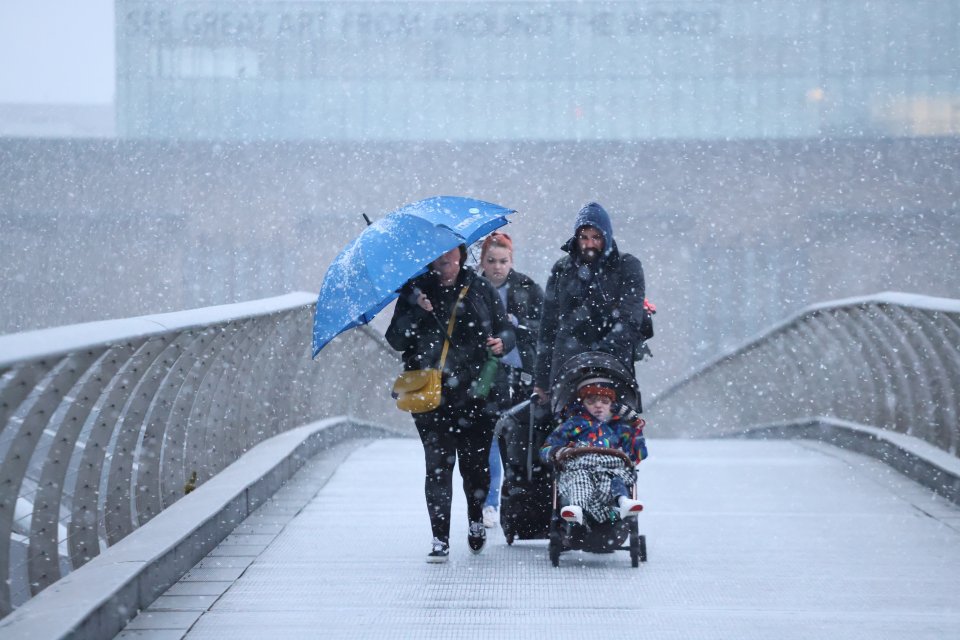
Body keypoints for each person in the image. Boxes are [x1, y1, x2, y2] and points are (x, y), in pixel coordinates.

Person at [386, 245, 516, 563]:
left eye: (451, 258)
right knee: (438, 468)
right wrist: (417, 309)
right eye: (438, 258)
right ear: (429, 259)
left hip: (477, 396)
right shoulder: (415, 292)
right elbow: (396, 340)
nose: (445, 264)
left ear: (461, 256)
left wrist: (503, 342)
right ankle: (439, 538)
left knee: (475, 469)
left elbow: (505, 329)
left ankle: (475, 521)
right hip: (431, 397)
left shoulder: (480, 287)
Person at [533, 202, 648, 404]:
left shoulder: (627, 266)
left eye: (596, 237)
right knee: (566, 431)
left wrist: (602, 357)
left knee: (615, 428)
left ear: (606, 237)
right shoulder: (562, 269)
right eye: (584, 237)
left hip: (614, 367)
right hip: (566, 369)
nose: (589, 244)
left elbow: (629, 319)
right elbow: (548, 327)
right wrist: (541, 381)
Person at [476, 232, 544, 529]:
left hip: (522, 376)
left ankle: (515, 508)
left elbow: (545, 327)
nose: (497, 267)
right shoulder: (472, 289)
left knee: (519, 443)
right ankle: (489, 503)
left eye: (503, 261)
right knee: (488, 438)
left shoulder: (528, 288)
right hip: (485, 375)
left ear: (511, 261)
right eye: (491, 261)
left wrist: (519, 326)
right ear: (482, 262)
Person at [539, 377, 647, 525]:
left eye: (604, 401)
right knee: (579, 478)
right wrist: (558, 452)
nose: (598, 406)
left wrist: (635, 425)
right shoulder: (573, 424)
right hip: (580, 467)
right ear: (582, 403)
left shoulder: (619, 427)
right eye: (591, 401)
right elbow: (547, 448)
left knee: (617, 477)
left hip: (610, 469)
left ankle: (623, 501)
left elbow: (639, 454)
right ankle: (576, 507)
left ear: (612, 405)